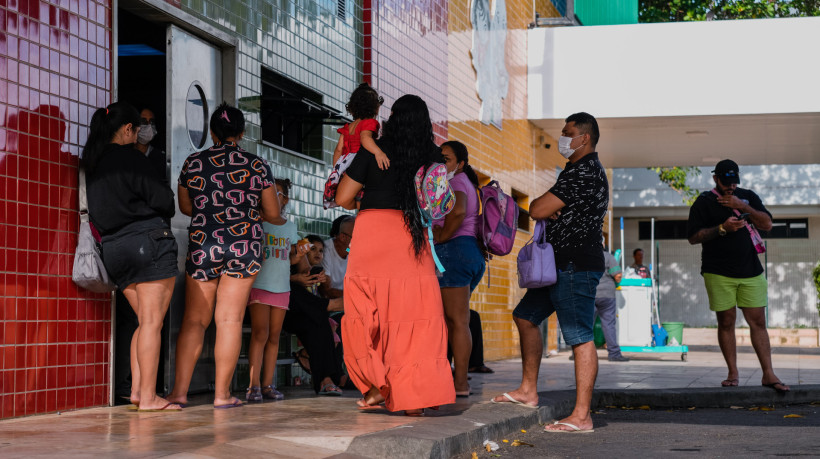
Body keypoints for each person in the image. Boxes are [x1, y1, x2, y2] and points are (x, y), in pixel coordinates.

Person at [336, 94, 455, 415]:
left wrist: (370, 198)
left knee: (364, 313)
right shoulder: (433, 156)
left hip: (372, 236)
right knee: (412, 316)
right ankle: (413, 397)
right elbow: (438, 203)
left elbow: (343, 198)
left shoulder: (373, 150)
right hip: (411, 238)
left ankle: (377, 386)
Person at [492, 112, 607, 434]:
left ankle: (582, 416)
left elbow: (538, 208)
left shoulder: (584, 171)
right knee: (526, 316)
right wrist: (551, 206)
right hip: (557, 264)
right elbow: (545, 208)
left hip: (575, 264)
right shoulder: (575, 171)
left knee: (580, 336)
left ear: (584, 138)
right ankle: (528, 391)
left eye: (568, 132)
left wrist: (548, 206)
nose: (563, 137)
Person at [168, 103, 283, 409]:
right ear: (242, 133)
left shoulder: (193, 163)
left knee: (194, 320)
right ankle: (221, 395)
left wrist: (212, 210)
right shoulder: (256, 165)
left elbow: (186, 208)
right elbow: (272, 213)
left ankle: (179, 394)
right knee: (229, 320)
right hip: (243, 244)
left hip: (205, 243)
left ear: (211, 132)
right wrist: (249, 211)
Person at [81, 101, 180, 412]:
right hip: (148, 242)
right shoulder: (133, 159)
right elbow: (164, 201)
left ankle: (138, 391)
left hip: (113, 250)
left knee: (142, 321)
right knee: (152, 322)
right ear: (126, 130)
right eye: (138, 130)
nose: (141, 135)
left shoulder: (93, 164)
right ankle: (149, 397)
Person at [687, 159, 789, 393]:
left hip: (751, 270)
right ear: (716, 179)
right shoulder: (704, 202)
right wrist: (722, 228)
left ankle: (768, 373)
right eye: (726, 182)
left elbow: (767, 224)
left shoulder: (747, 196)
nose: (731, 187)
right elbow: (693, 237)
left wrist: (743, 206)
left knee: (759, 322)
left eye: (734, 182)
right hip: (718, 272)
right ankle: (733, 372)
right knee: (726, 322)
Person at [432, 140, 486, 397]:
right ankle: (456, 380)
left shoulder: (455, 183)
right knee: (456, 321)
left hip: (454, 252)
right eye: (439, 159)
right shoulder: (467, 182)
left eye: (447, 159)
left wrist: (442, 236)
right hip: (468, 254)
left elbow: (459, 210)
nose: (442, 164)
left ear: (461, 163)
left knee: (456, 322)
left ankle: (460, 383)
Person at [246, 178, 305, 402]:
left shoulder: (290, 227)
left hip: (282, 288)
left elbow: (288, 260)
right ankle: (253, 386)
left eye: (276, 193)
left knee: (274, 337)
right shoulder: (256, 222)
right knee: (260, 334)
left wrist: (298, 255)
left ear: (285, 199)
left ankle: (268, 385)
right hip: (260, 285)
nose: (269, 196)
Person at [285, 235, 346, 396]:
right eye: (312, 249)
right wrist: (296, 279)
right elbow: (328, 289)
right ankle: (336, 375)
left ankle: (326, 380)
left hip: (305, 313)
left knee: (320, 319)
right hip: (276, 308)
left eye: (320, 251)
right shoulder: (330, 249)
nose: (318, 253)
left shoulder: (349, 251)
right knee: (294, 291)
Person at [323, 83, 390, 209]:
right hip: (359, 161)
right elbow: (365, 139)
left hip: (345, 162)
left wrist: (337, 169)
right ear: (375, 108)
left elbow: (338, 149)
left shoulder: (348, 127)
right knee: (362, 194)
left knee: (346, 201)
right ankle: (360, 208)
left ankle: (355, 206)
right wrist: (378, 152)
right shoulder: (369, 123)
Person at [595, 247, 628, 362]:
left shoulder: (586, 255)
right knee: (608, 324)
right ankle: (614, 354)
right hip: (607, 295)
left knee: (586, 325)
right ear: (602, 243)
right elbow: (617, 275)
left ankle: (578, 353)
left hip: (590, 294)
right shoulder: (608, 256)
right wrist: (617, 280)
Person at [320, 216, 354, 299]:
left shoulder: (348, 250)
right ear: (343, 237)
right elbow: (327, 291)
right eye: (357, 236)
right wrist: (355, 296)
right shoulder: (325, 249)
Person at [134, 108, 167, 183]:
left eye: (151, 122)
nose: (149, 125)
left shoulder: (161, 157)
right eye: (144, 121)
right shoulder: (126, 155)